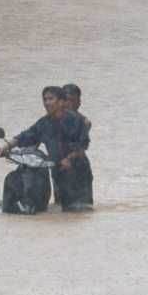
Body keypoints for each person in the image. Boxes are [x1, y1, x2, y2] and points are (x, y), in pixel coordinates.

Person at [0, 85, 88, 213]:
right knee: (61, 209)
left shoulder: (76, 120)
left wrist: (69, 158)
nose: (47, 103)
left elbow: (82, 145)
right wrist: (4, 148)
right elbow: (24, 136)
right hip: (57, 170)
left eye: (51, 99)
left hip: (78, 172)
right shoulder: (44, 123)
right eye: (45, 99)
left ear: (60, 102)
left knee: (80, 210)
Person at [57, 83, 94, 211]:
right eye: (65, 100)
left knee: (84, 208)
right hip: (59, 166)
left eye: (72, 100)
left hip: (78, 167)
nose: (68, 104)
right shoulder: (52, 120)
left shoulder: (84, 122)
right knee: (60, 206)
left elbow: (81, 146)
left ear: (79, 102)